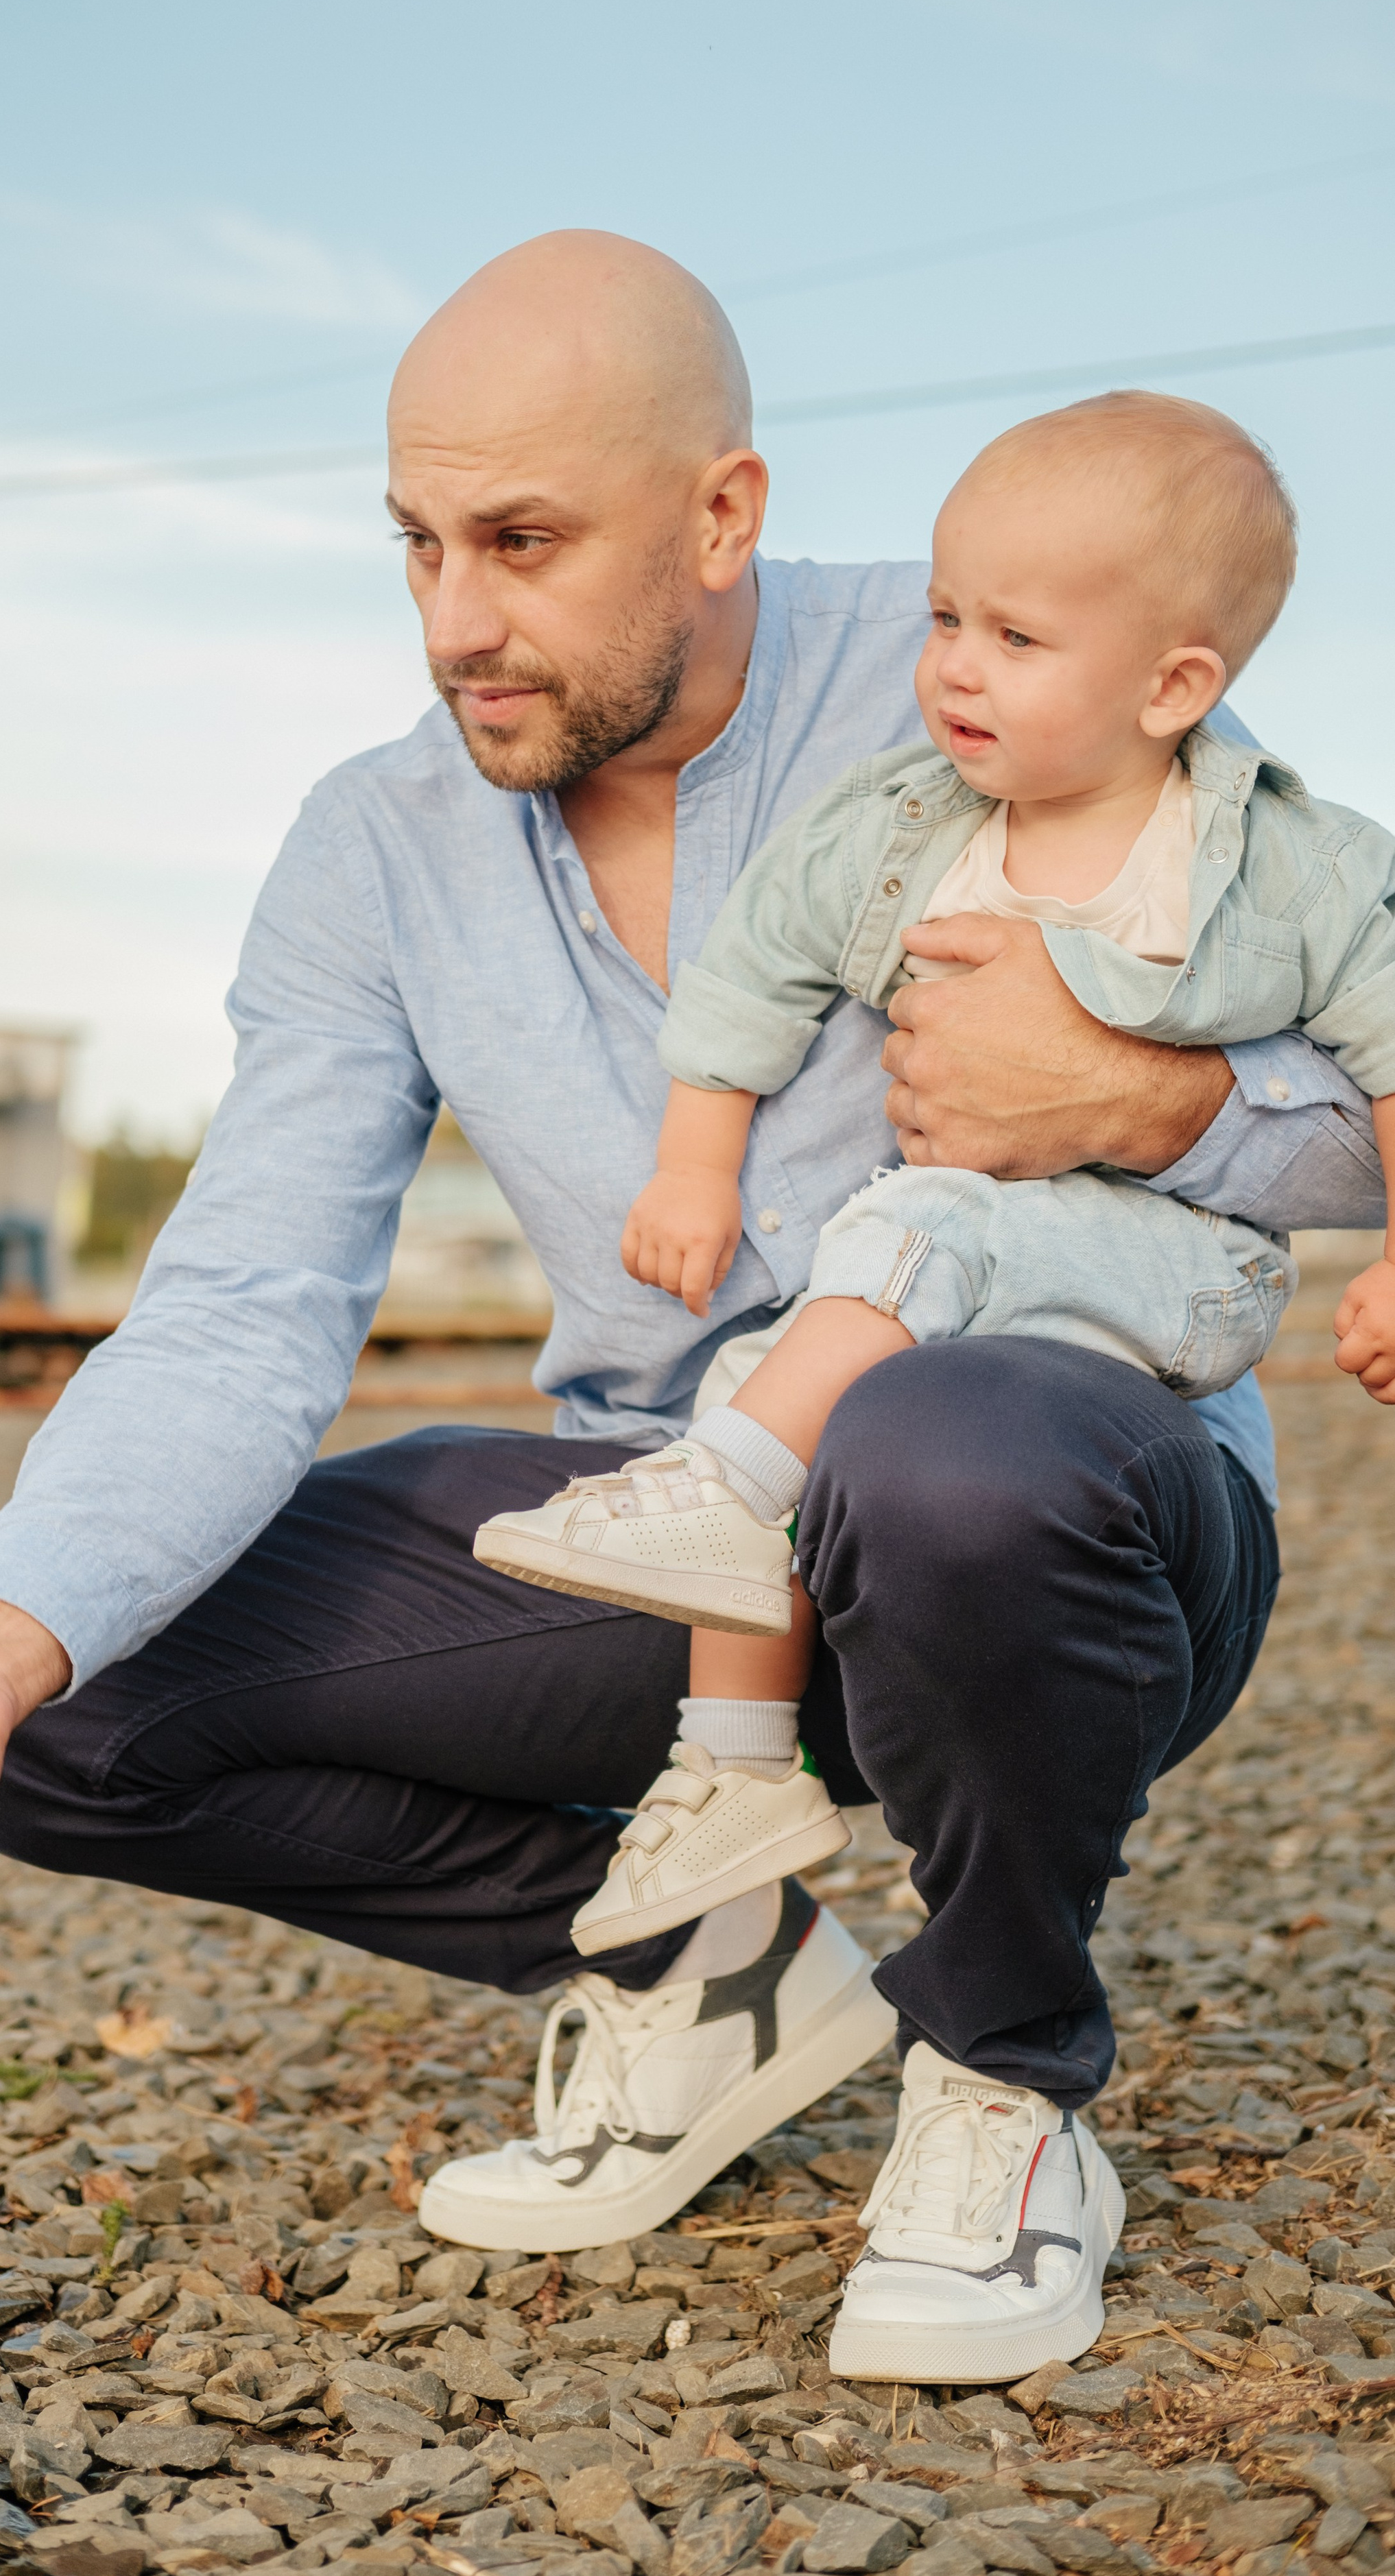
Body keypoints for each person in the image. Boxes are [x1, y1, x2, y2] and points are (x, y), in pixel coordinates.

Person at [0, 233, 1383, 2386]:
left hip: (1071, 1513)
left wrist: (1147, 1101)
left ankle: (1006, 2079)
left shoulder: (1010, 648)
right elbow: (241, 1305)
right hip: (678, 1547)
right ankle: (708, 1972)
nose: (452, 623)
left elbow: (1351, 1102)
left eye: (519, 543)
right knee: (59, 1683)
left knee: (938, 1445)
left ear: (723, 516)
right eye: (415, 545)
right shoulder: (375, 849)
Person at [479, 392, 1395, 2009]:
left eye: (1014, 638)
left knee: (914, 1232)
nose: (954, 668)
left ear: (1170, 689)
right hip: (955, 1278)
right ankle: (730, 1763)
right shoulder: (904, 830)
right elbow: (752, 970)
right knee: (758, 1369)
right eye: (944, 618)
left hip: (1172, 1278)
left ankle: (724, 1502)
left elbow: (1384, 1050)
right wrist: (693, 1165)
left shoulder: (1281, 865)